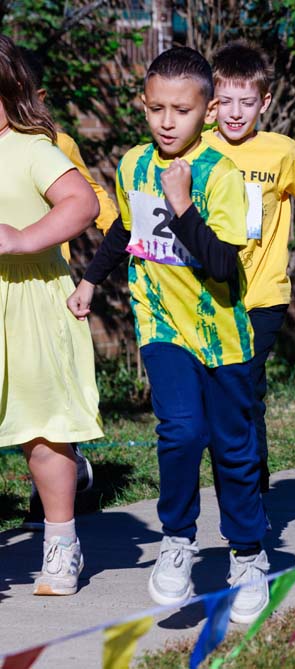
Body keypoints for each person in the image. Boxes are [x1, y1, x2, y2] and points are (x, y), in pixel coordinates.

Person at [66, 47, 269, 623]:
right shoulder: (133, 164)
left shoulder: (221, 176)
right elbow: (125, 230)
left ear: (206, 112)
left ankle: (248, 556)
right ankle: (177, 541)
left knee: (235, 449)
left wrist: (183, 207)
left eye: (181, 110)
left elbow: (225, 266)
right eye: (156, 108)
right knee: (181, 431)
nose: (167, 122)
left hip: (224, 337)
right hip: (160, 326)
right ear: (144, 105)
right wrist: (90, 281)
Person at [0, 34, 103, 595]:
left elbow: (83, 204)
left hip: (30, 300)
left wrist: (21, 238)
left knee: (42, 434)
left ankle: (61, 547)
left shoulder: (32, 147)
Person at [203, 40, 295, 493]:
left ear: (265, 103)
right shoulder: (196, 149)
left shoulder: (280, 151)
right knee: (221, 394)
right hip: (209, 295)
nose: (236, 113)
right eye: (225, 102)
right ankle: (238, 475)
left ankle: (251, 479)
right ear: (210, 103)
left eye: (247, 102)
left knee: (244, 383)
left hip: (263, 292)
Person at [17, 46, 120, 531]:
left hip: (37, 279)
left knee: (44, 401)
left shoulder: (52, 143)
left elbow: (91, 197)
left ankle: (58, 496)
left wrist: (117, 236)